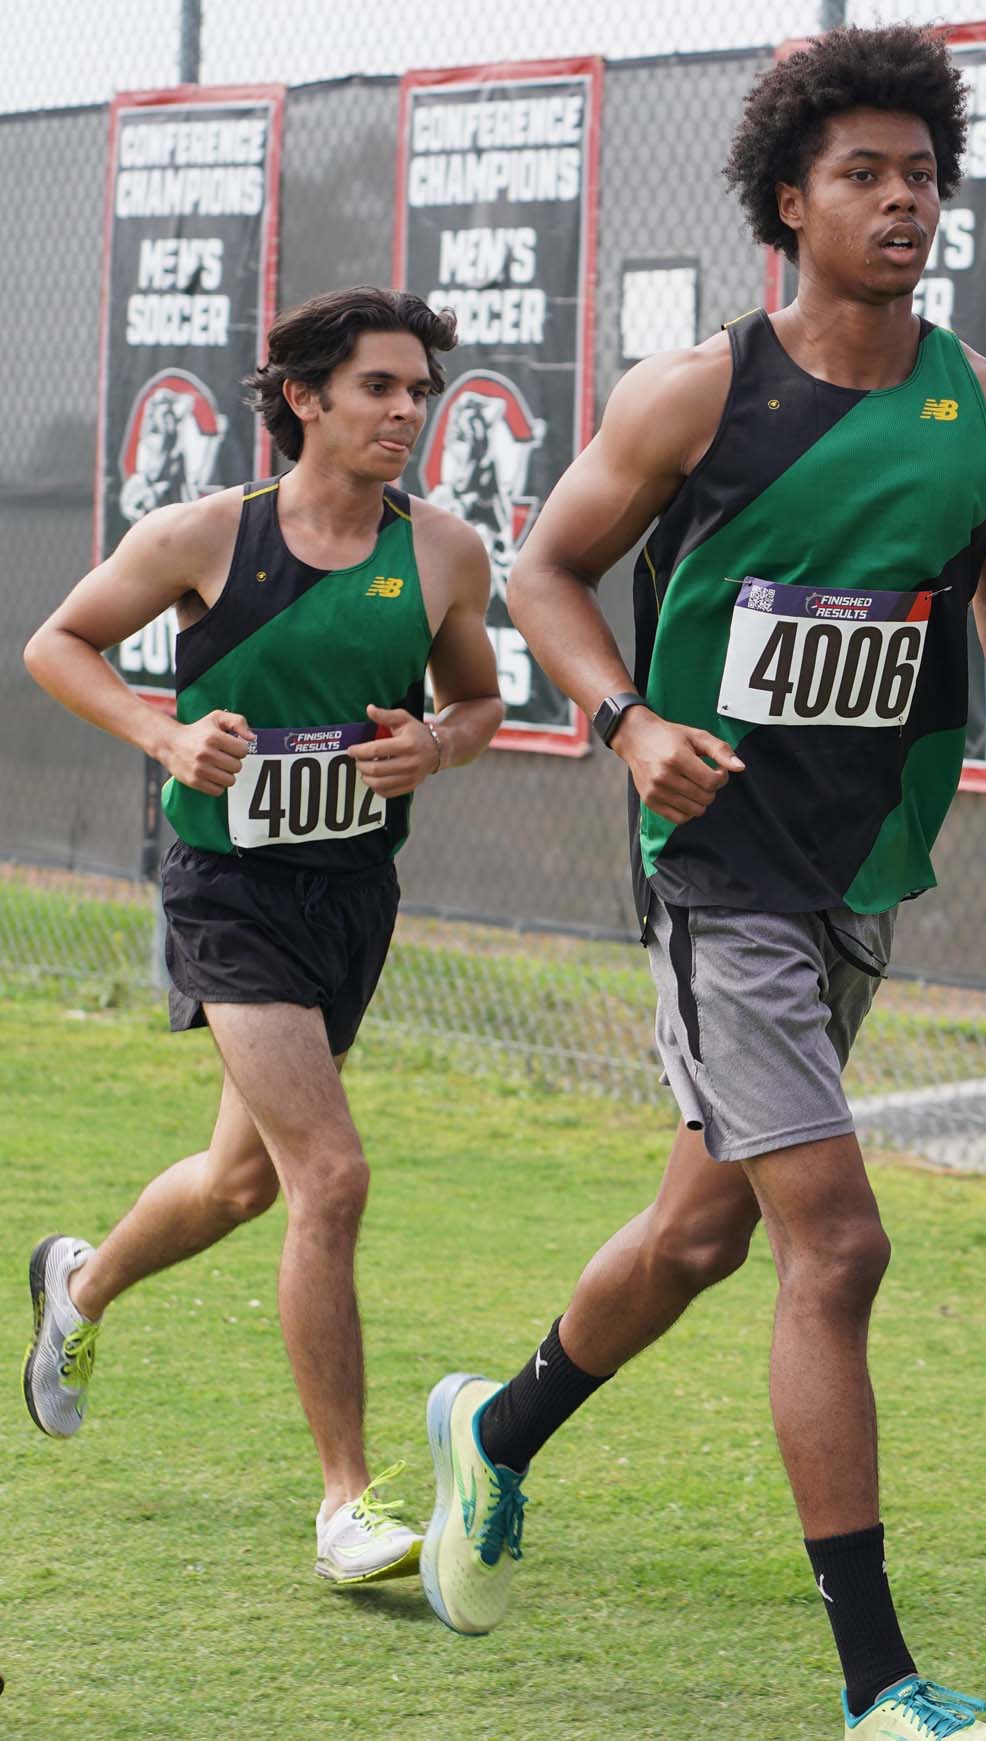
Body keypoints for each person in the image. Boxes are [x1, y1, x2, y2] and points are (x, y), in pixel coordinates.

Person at [416, 27, 986, 1741]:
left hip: (854, 868)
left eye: (922, 173)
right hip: (714, 861)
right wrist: (627, 716)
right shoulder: (699, 394)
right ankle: (882, 1684)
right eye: (864, 175)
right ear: (788, 202)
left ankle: (490, 1435)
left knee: (702, 1230)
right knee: (838, 1241)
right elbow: (550, 566)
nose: (903, 200)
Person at [22, 285, 503, 1587]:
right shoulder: (204, 539)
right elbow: (57, 644)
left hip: (350, 895)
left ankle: (77, 1284)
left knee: (242, 1182)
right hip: (226, 887)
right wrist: (167, 735)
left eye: (420, 391)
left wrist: (435, 746)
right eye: (378, 389)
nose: (407, 411)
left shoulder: (445, 553)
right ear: (304, 398)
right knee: (328, 1176)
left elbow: (479, 698)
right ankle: (346, 1502)